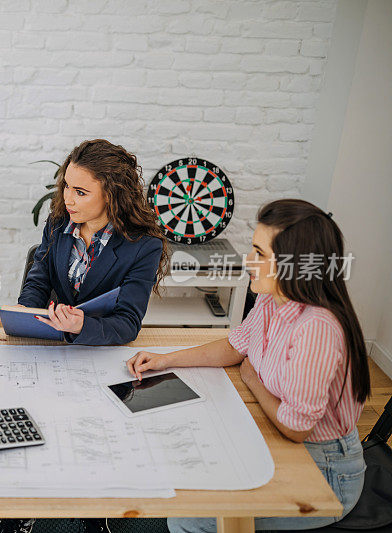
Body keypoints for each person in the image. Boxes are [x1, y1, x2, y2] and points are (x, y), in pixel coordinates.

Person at [125, 199, 369, 532]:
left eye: (259, 253)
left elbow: (297, 428)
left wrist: (252, 380)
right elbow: (234, 346)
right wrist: (164, 360)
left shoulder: (317, 328)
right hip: (288, 437)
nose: (248, 261)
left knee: (187, 520)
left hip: (326, 470)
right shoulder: (273, 298)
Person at [18, 139, 168, 345]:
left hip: (102, 348)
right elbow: (39, 280)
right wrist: (24, 311)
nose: (68, 199)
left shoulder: (144, 246)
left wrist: (81, 326)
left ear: (111, 195)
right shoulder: (58, 223)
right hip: (55, 342)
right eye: (67, 187)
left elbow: (128, 323)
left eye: (80, 192)